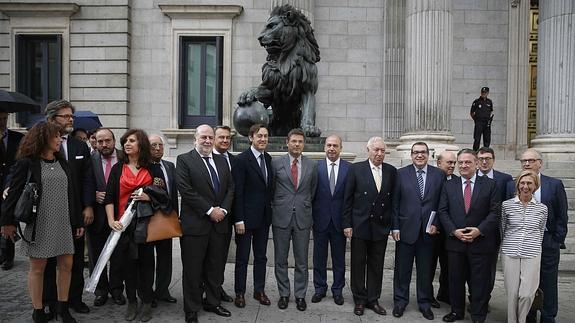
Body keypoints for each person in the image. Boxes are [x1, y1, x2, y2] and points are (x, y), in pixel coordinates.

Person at [0, 122, 84, 323]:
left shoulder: (63, 162)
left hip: (64, 222)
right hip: (39, 223)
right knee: (38, 268)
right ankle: (38, 311)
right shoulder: (26, 163)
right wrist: (7, 222)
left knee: (66, 265)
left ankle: (62, 309)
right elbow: (13, 194)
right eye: (56, 136)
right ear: (43, 138)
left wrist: (78, 221)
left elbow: (73, 194)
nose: (60, 140)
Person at [104, 129, 167, 322]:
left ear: (141, 145)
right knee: (128, 265)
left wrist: (149, 197)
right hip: (123, 225)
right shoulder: (117, 169)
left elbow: (163, 196)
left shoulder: (153, 169)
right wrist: (111, 220)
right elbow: (109, 198)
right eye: (125, 141)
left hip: (147, 225)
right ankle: (132, 301)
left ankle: (146, 301)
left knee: (147, 264)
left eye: (132, 141)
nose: (127, 144)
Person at [176, 124, 234, 323]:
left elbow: (230, 189)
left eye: (210, 137)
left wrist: (223, 210)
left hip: (219, 225)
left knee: (215, 267)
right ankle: (191, 308)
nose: (208, 141)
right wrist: (210, 211)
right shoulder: (184, 160)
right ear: (195, 139)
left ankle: (212, 302)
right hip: (195, 226)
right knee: (192, 269)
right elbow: (186, 190)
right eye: (204, 137)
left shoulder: (222, 161)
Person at [438, 149, 500, 323]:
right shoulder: (449, 185)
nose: (463, 165)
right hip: (455, 243)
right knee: (455, 280)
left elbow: (495, 212)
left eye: (468, 162)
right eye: (460, 162)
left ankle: (478, 315)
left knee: (479, 282)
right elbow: (443, 211)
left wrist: (479, 230)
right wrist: (453, 231)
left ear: (477, 164)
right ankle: (456, 311)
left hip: (480, 242)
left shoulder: (490, 185)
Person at [506, 148, 568, 323]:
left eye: (531, 160)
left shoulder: (554, 184)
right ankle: (528, 315)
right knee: (526, 283)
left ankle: (548, 316)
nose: (527, 164)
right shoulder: (512, 184)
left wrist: (557, 239)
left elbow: (562, 215)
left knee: (548, 281)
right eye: (524, 161)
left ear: (540, 163)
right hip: (521, 242)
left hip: (547, 241)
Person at [43, 100, 93, 316]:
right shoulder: (41, 144)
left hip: (74, 213)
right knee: (48, 262)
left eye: (71, 116)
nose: (71, 119)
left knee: (73, 260)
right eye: (65, 116)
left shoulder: (79, 145)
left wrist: (88, 206)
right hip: (48, 213)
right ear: (53, 119)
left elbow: (87, 178)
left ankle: (74, 299)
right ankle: (49, 302)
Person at [342, 136, 397, 316]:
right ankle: (359, 299)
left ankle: (373, 299)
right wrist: (347, 224)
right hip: (360, 225)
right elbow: (347, 200)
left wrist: (392, 226)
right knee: (358, 264)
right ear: (368, 150)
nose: (380, 154)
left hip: (380, 227)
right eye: (376, 150)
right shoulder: (356, 169)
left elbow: (394, 201)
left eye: (382, 150)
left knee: (376, 265)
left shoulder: (391, 171)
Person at [391, 142, 444, 320]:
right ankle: (400, 301)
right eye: (416, 152)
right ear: (411, 155)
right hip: (406, 230)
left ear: (428, 155)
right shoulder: (400, 174)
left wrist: (437, 223)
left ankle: (424, 303)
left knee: (425, 270)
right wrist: (395, 226)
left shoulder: (439, 175)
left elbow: (442, 204)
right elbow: (395, 203)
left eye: (423, 152)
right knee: (402, 270)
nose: (419, 155)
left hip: (429, 232)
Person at [272, 128, 317, 312]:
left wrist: (303, 205)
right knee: (280, 259)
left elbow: (312, 191)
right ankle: (284, 294)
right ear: (287, 142)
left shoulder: (311, 165)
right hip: (281, 217)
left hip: (302, 218)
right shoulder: (276, 164)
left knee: (301, 261)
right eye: (294, 141)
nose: (297, 144)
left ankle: (300, 295)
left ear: (303, 144)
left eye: (300, 141)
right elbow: (271, 190)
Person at [232, 124, 274, 308]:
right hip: (245, 220)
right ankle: (239, 292)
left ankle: (259, 290)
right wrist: (238, 219)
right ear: (251, 138)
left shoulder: (269, 159)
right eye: (259, 136)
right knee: (242, 258)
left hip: (263, 219)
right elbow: (237, 192)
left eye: (265, 136)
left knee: (261, 257)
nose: (263, 139)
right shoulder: (241, 160)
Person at [501, 171, 548, 323]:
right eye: (522, 183)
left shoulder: (542, 208)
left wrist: (533, 245)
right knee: (512, 293)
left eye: (529, 183)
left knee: (527, 294)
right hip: (510, 252)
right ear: (518, 185)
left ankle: (521, 320)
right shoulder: (506, 205)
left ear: (535, 186)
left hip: (532, 252)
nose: (525, 186)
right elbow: (503, 228)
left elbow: (540, 231)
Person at [87, 128, 124, 307]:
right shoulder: (90, 159)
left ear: (114, 140)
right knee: (96, 255)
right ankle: (100, 291)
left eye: (107, 140)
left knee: (118, 256)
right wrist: (93, 195)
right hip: (96, 216)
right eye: (100, 141)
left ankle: (117, 290)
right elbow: (82, 183)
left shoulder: (125, 157)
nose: (104, 144)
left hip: (121, 215)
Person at [311, 135, 350, 306]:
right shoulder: (315, 167)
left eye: (335, 145)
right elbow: (311, 195)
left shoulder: (349, 169)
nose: (332, 148)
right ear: (324, 147)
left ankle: (337, 290)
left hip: (340, 222)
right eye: (329, 145)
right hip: (320, 220)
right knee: (319, 258)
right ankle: (319, 289)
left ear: (340, 148)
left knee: (339, 258)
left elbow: (351, 198)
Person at [477, 146, 513, 300]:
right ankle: (473, 297)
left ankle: (485, 298)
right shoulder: (467, 176)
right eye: (481, 159)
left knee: (489, 269)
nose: (484, 162)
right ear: (476, 161)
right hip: (470, 229)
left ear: (493, 160)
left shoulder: (505, 179)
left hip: (492, 233)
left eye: (488, 159)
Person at [148, 134, 178, 307]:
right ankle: (148, 293)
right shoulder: (142, 167)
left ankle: (162, 290)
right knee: (148, 260)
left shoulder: (169, 166)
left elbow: (173, 193)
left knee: (165, 257)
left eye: (160, 145)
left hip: (167, 218)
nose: (158, 148)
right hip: (149, 219)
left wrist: (176, 215)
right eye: (154, 145)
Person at [211, 125, 234, 303]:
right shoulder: (205, 158)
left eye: (227, 137)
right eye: (221, 137)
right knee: (206, 259)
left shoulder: (234, 160)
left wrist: (226, 211)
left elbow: (233, 189)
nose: (225, 140)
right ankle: (206, 290)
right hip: (207, 217)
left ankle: (216, 288)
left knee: (220, 257)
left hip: (227, 217)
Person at [432, 150, 457, 305]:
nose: (452, 166)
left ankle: (445, 294)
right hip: (433, 231)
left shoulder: (456, 180)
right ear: (439, 163)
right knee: (430, 265)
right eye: (449, 162)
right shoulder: (432, 179)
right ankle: (428, 296)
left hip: (449, 232)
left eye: (454, 163)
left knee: (449, 266)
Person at [0, 112, 24, 271]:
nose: (2, 122)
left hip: (11, 185)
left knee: (8, 217)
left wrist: (11, 184)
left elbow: (20, 161)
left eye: (4, 118)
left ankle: (7, 256)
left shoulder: (17, 137)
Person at [470, 86, 494, 151]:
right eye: (482, 92)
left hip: (487, 123)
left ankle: (486, 153)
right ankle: (475, 152)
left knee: (487, 139)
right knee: (477, 139)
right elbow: (472, 113)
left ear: (487, 93)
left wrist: (490, 119)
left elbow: (491, 111)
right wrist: (476, 120)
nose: (483, 94)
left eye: (485, 93)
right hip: (479, 122)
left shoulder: (489, 102)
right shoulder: (477, 101)